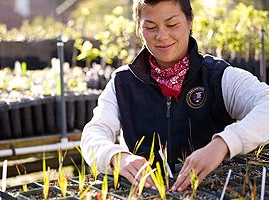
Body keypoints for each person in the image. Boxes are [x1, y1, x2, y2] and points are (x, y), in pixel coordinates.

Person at [80, 0, 269, 192]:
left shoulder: (218, 76)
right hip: (148, 192)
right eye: (150, 27)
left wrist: (224, 144)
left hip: (212, 190)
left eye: (172, 25)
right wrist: (116, 156)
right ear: (139, 29)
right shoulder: (122, 83)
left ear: (190, 21)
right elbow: (93, 134)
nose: (162, 36)